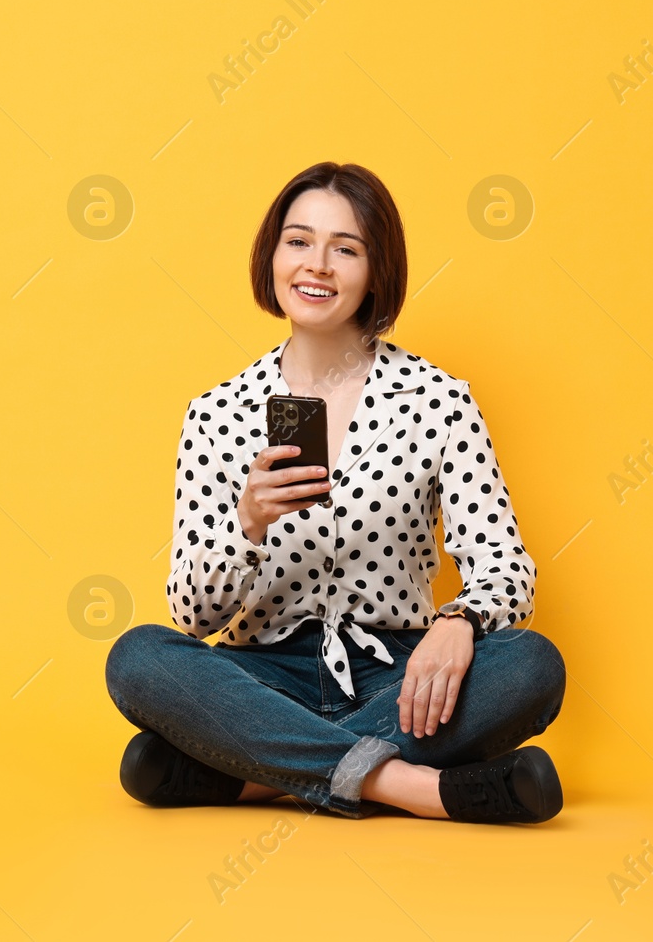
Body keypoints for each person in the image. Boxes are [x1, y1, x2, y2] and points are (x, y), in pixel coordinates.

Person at [105, 161, 566, 823]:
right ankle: (413, 788)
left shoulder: (438, 400)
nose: (316, 265)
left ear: (376, 271)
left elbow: (505, 566)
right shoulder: (217, 413)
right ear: (272, 255)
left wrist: (459, 623)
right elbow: (193, 616)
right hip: (261, 682)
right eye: (298, 241)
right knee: (138, 657)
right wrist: (247, 524)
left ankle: (260, 771)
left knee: (531, 665)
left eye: (344, 249)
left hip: (402, 682)